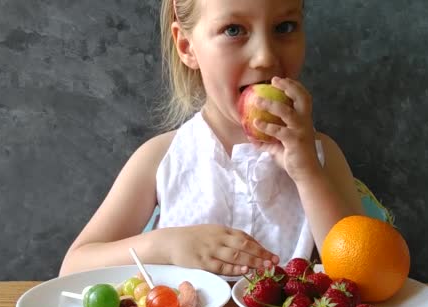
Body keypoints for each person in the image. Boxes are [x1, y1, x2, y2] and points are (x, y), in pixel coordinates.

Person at [59, 0, 363, 277]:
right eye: (234, 30)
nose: (265, 57)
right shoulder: (161, 158)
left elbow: (363, 276)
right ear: (187, 47)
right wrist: (165, 246)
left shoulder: (321, 156)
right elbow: (74, 266)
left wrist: (307, 172)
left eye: (284, 27)